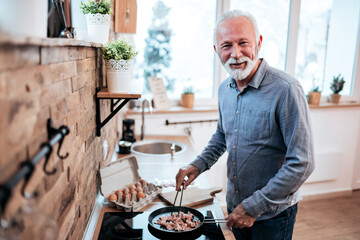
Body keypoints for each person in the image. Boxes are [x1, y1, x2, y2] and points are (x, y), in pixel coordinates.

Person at [175, 9, 315, 240]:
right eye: (227, 45)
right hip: (235, 207)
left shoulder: (287, 89)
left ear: (258, 43)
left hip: (272, 215)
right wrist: (197, 165)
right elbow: (222, 135)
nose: (236, 53)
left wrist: (254, 207)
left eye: (243, 43)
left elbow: (303, 162)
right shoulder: (224, 90)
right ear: (216, 50)